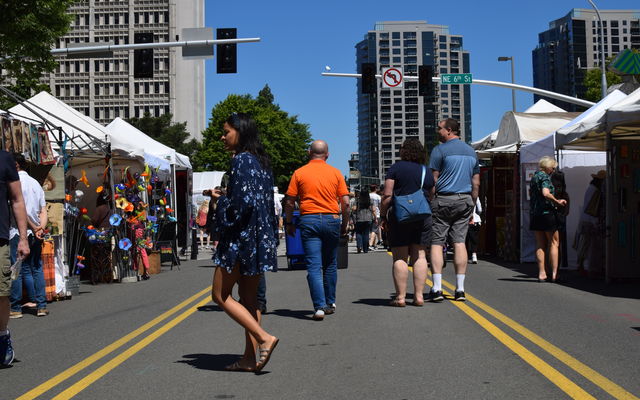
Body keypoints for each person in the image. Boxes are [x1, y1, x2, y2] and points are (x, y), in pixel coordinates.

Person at [209, 113, 279, 373]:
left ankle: (264, 338)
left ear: (240, 132)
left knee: (219, 295)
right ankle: (250, 359)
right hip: (259, 239)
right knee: (249, 301)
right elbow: (263, 203)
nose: (222, 136)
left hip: (240, 239)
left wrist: (220, 202)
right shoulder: (262, 162)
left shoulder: (240, 161)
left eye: (226, 131)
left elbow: (243, 205)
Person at [284, 140, 350, 321]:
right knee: (330, 263)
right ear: (327, 155)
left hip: (309, 219)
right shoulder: (336, 173)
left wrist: (289, 222)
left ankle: (319, 307)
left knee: (314, 265)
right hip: (331, 219)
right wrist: (344, 225)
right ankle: (330, 302)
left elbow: (290, 201)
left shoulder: (299, 173)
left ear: (309, 153)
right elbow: (345, 202)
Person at [429, 118, 480, 302]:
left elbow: (433, 181)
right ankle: (460, 289)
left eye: (440, 128)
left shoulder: (439, 150)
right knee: (459, 242)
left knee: (436, 242)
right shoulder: (471, 151)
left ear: (449, 130)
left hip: (443, 199)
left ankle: (436, 288)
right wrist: (472, 205)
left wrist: (431, 200)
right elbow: (476, 183)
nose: (437, 131)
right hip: (464, 200)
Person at [380, 138, 434, 307]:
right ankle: (419, 297)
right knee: (420, 256)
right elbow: (432, 194)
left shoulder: (395, 168)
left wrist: (383, 216)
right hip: (423, 216)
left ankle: (401, 297)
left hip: (400, 216)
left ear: (404, 151)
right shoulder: (426, 170)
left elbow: (387, 195)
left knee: (400, 257)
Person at [0, 151, 30, 367]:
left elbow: (17, 200)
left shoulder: (4, 159)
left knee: (1, 293)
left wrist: (23, 238)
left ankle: (2, 335)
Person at [10, 154, 48, 317]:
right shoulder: (35, 183)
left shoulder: (14, 183)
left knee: (17, 268)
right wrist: (40, 228)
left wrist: (33, 226)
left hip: (19, 231)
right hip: (35, 232)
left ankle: (16, 307)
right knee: (36, 267)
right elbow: (43, 210)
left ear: (16, 165)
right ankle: (41, 305)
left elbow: (18, 209)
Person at [529, 156, 567, 283]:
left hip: (535, 213)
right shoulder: (545, 177)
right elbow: (546, 193)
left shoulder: (534, 177)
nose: (553, 169)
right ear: (548, 167)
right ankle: (555, 274)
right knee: (554, 242)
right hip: (547, 213)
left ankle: (542, 273)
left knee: (540, 244)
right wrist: (557, 202)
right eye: (553, 167)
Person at [573, 170, 605, 278]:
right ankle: (581, 266)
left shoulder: (591, 188)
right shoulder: (596, 190)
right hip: (589, 220)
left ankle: (581, 265)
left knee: (584, 244)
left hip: (586, 219)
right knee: (586, 244)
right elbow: (592, 207)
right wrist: (595, 221)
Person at [550, 170, 570, 270]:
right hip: (560, 219)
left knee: (551, 244)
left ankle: (551, 268)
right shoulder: (564, 193)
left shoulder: (550, 190)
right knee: (557, 244)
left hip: (551, 218)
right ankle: (556, 269)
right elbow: (567, 211)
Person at [466, 198, 483, 264]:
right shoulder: (476, 197)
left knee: (465, 240)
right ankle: (474, 255)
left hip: (464, 221)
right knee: (474, 239)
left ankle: (465, 256)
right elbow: (479, 209)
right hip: (475, 220)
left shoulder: (462, 195)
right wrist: (476, 214)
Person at [369, 185, 382, 249]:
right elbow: (380, 206)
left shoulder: (368, 195)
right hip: (377, 214)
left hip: (368, 214)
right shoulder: (378, 197)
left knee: (372, 229)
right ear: (376, 189)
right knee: (374, 230)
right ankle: (370, 244)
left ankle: (374, 245)